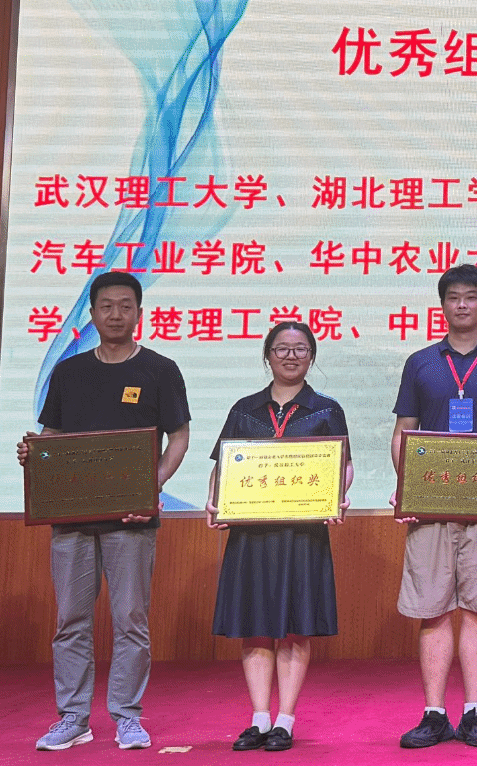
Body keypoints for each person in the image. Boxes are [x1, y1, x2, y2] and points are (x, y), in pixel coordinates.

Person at [16, 270, 192, 752]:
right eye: (106, 306)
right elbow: (52, 436)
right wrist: (35, 453)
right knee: (71, 620)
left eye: (125, 306)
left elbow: (179, 437)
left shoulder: (160, 369)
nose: (116, 314)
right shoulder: (69, 372)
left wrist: (150, 486)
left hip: (132, 520)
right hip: (71, 519)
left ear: (139, 313)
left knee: (131, 619)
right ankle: (73, 717)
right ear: (91, 314)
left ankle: (127, 716)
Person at [393, 265, 477, 750]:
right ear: (443, 305)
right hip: (429, 505)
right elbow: (403, 433)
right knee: (432, 610)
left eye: (471, 296)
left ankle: (474, 712)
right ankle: (433, 713)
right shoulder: (421, 363)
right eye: (454, 297)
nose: (462, 304)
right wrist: (405, 488)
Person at [205, 321, 352, 753]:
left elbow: (343, 465)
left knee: (294, 627)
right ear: (267, 355)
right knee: (255, 626)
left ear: (312, 356)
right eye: (282, 348)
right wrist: (215, 501)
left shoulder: (327, 410)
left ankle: (285, 719)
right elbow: (224, 463)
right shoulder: (244, 409)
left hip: (303, 535)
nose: (291, 356)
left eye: (300, 349)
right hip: (252, 534)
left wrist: (336, 497)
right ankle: (259, 718)